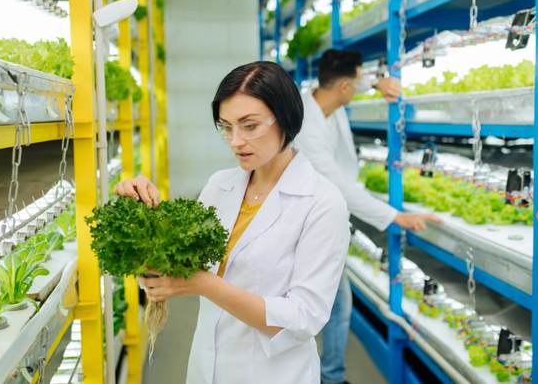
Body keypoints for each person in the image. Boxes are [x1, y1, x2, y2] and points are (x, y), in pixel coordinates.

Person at [115, 61, 351, 384]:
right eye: (226, 127)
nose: (235, 141)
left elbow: (303, 317)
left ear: (285, 118)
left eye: (249, 126)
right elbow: (181, 268)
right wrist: (145, 218)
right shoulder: (219, 186)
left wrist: (205, 285)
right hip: (206, 368)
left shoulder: (322, 203)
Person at [295, 49, 442, 384]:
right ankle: (325, 377)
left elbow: (354, 85)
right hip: (307, 228)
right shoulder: (306, 124)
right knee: (328, 307)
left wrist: (378, 83)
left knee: (334, 307)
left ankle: (329, 375)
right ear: (345, 86)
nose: (361, 84)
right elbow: (337, 184)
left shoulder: (327, 99)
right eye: (359, 78)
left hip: (324, 224)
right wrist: (394, 216)